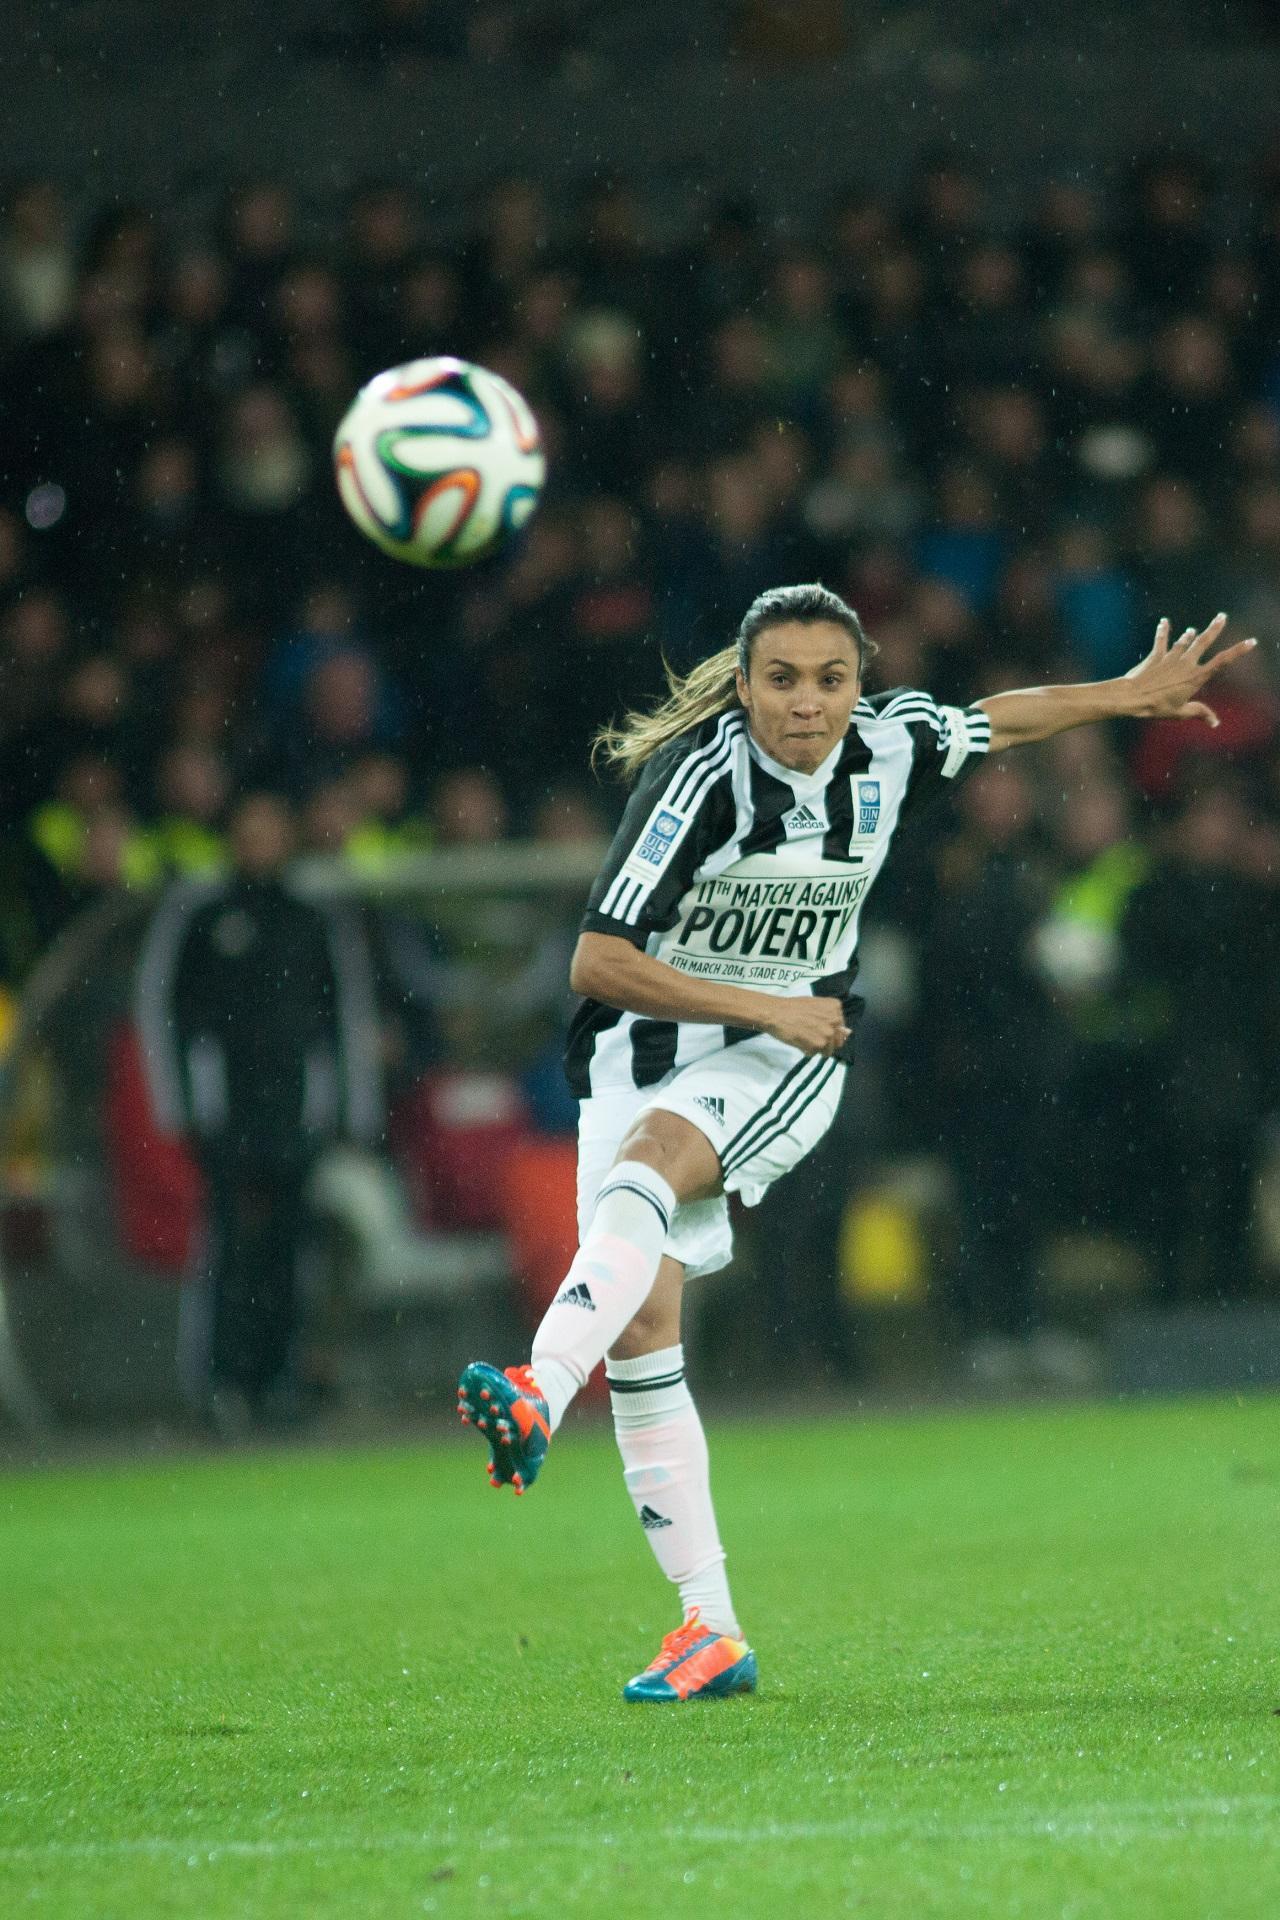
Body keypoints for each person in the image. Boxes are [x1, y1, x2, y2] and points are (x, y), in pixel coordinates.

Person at [457, 583, 1253, 1702]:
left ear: (859, 686)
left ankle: (537, 1389)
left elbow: (999, 719)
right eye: (782, 680)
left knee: (655, 1165)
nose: (807, 703)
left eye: (831, 680)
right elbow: (598, 960)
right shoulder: (694, 780)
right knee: (638, 1329)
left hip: (788, 1050)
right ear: (743, 688)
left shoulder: (890, 746)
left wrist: (1122, 695)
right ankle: (710, 1630)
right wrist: (758, 1002)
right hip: (644, 1052)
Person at [136, 792, 382, 1433]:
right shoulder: (201, 916)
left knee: (291, 1249)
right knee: (225, 1249)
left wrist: (350, 1113)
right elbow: (165, 1015)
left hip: (297, 1117)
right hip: (222, 1118)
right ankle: (220, 1385)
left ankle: (281, 1383)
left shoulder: (312, 919)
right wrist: (180, 1110)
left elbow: (345, 1020)